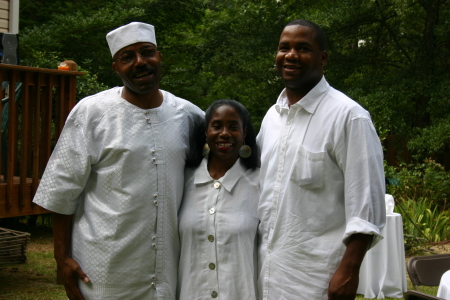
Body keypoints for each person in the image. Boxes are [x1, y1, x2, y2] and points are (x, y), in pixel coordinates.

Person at [32, 22, 204, 300]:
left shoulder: (190, 116)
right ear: (116, 68)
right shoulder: (91, 113)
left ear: (160, 57)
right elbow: (62, 191)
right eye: (127, 57)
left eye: (147, 52)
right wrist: (61, 258)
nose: (140, 62)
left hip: (170, 271)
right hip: (104, 271)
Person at [257, 19, 386, 300]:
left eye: (302, 48)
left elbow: (367, 205)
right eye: (284, 48)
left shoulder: (349, 117)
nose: (290, 55)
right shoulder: (271, 118)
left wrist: (349, 271)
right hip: (266, 273)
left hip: (316, 279)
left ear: (323, 58)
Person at [177, 99, 260, 300]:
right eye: (216, 126)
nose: (224, 133)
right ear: (206, 132)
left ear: (245, 134)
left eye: (233, 127)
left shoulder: (260, 182)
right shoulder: (182, 180)